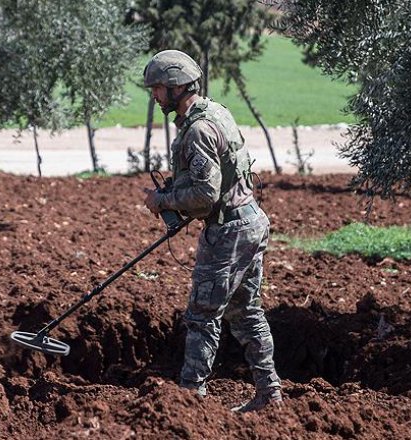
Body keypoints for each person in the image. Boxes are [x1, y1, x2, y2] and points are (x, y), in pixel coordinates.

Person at [141, 49, 282, 413]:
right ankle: (270, 395)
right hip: (249, 221)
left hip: (229, 231)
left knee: (202, 316)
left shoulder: (199, 129)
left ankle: (190, 401)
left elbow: (205, 195)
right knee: (246, 311)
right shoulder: (216, 112)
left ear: (176, 88)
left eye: (158, 88)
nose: (155, 96)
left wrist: (164, 200)